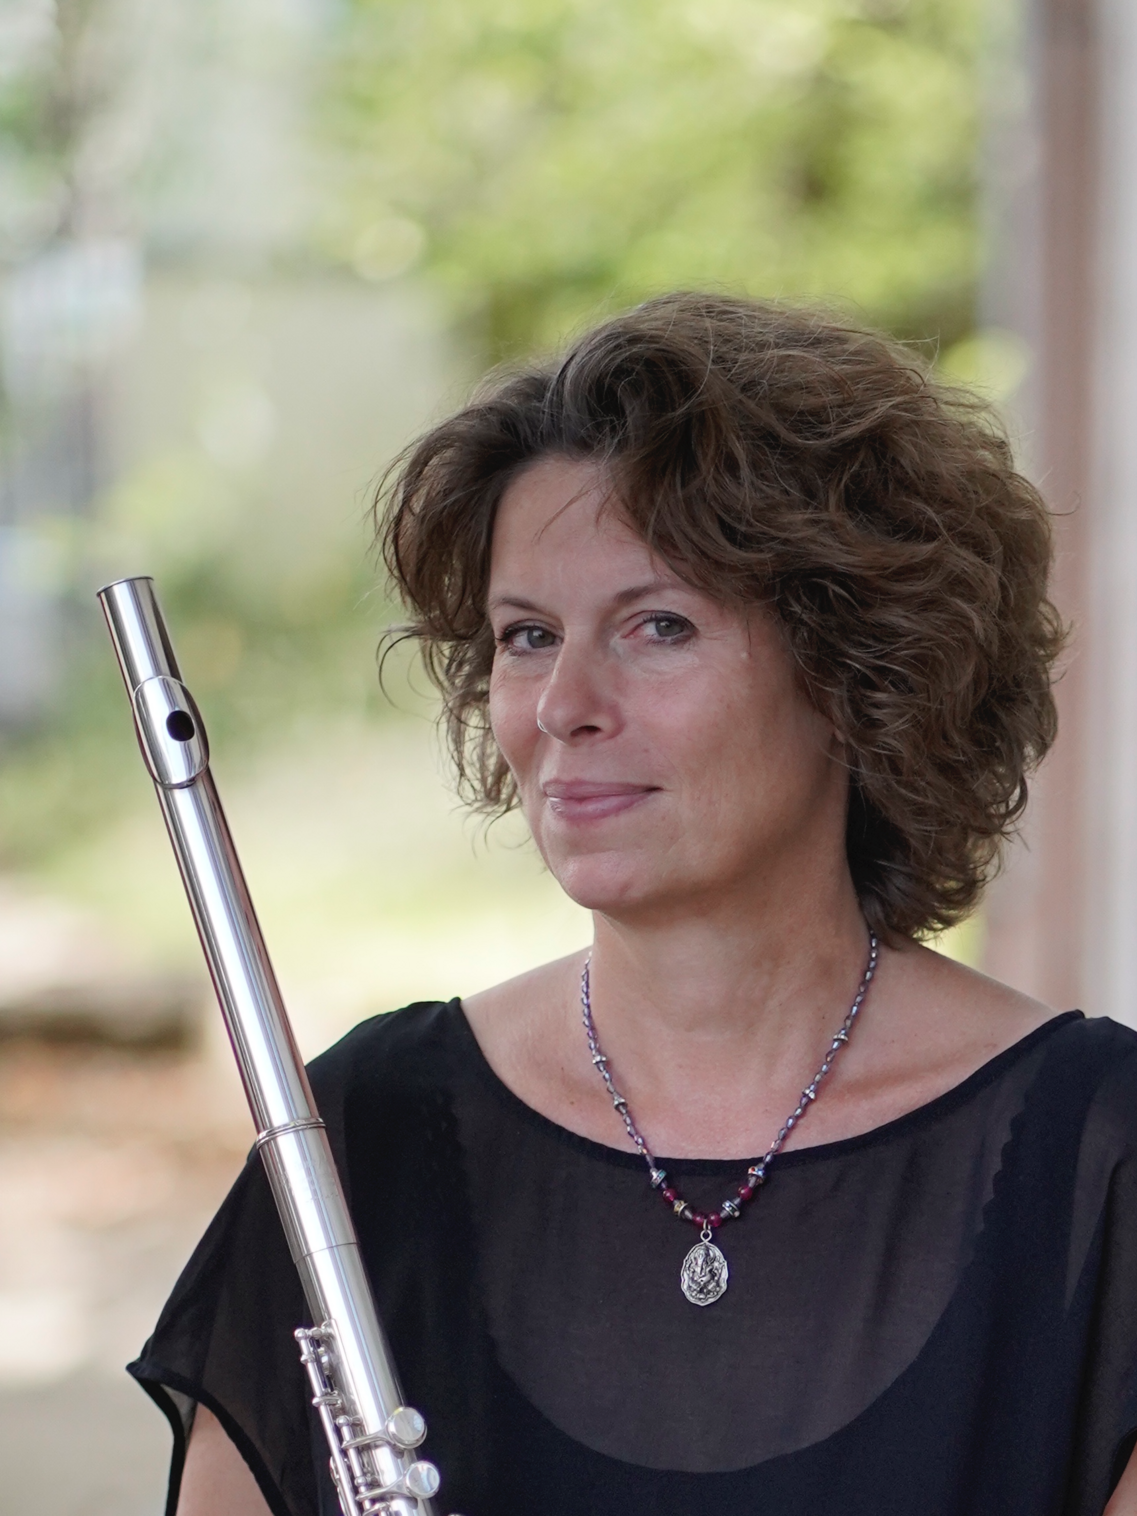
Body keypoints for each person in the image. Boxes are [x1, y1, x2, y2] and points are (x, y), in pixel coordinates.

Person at [129, 294, 1137, 1516]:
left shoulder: (1102, 1157)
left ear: (859, 670)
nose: (565, 705)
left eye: (658, 625)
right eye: (529, 634)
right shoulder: (364, 1138)